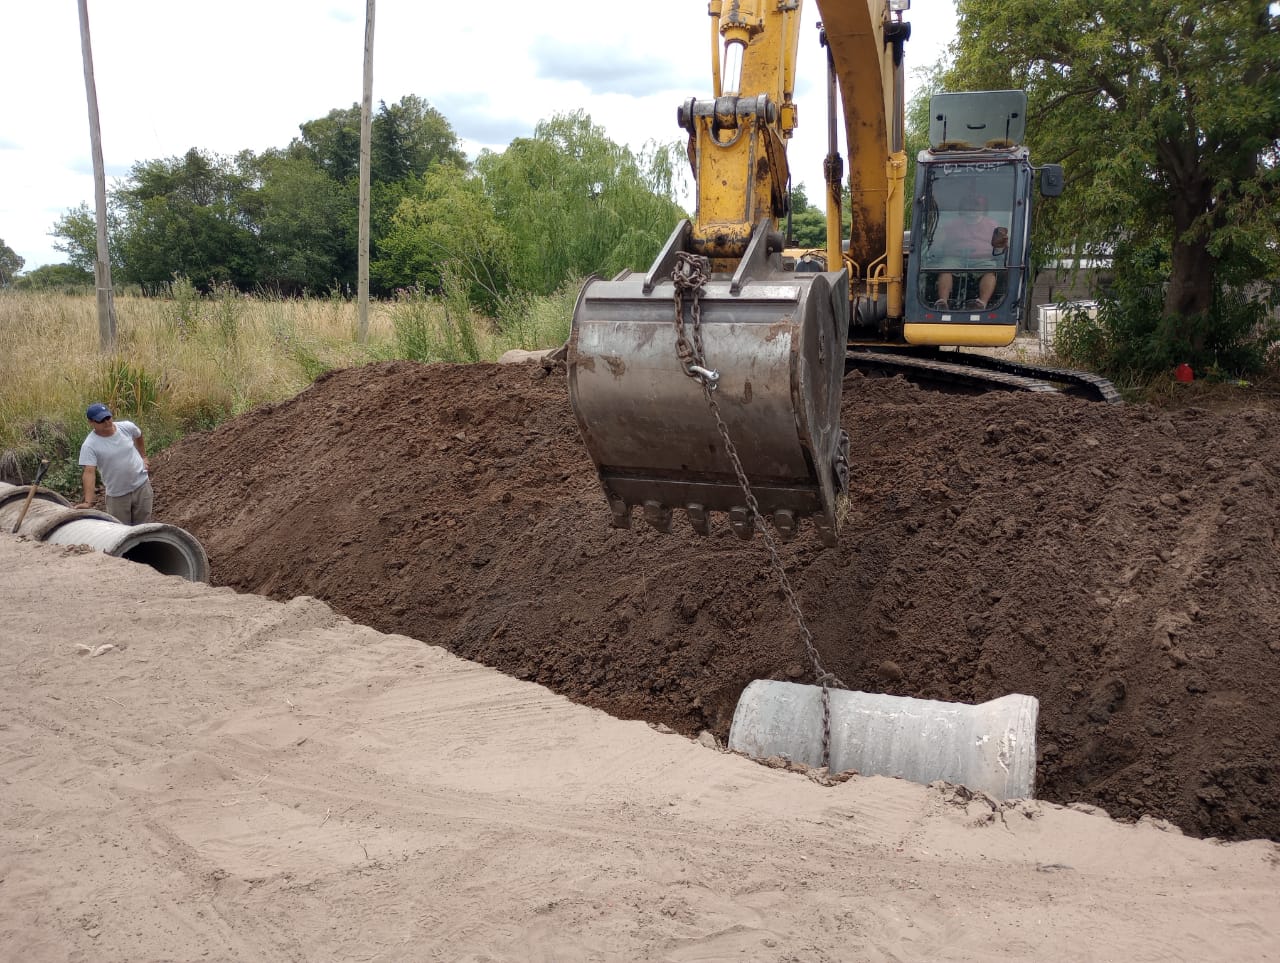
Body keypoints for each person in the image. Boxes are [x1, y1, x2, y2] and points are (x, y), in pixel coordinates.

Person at [75, 402, 154, 524]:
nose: (107, 422)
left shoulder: (126, 427)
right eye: (101, 420)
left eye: (108, 417)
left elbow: (138, 435)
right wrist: (88, 502)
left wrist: (143, 457)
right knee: (122, 531)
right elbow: (89, 472)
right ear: (91, 422)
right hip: (117, 495)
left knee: (145, 527)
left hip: (141, 487)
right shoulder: (90, 445)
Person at [932, 194, 1008, 309]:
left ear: (982, 210)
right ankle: (943, 301)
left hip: (982, 258)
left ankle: (981, 303)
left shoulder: (992, 225)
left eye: (976, 207)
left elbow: (1002, 244)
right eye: (969, 207)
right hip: (955, 258)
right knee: (945, 268)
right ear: (963, 209)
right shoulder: (952, 224)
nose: (972, 210)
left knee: (990, 271)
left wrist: (1002, 242)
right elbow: (939, 242)